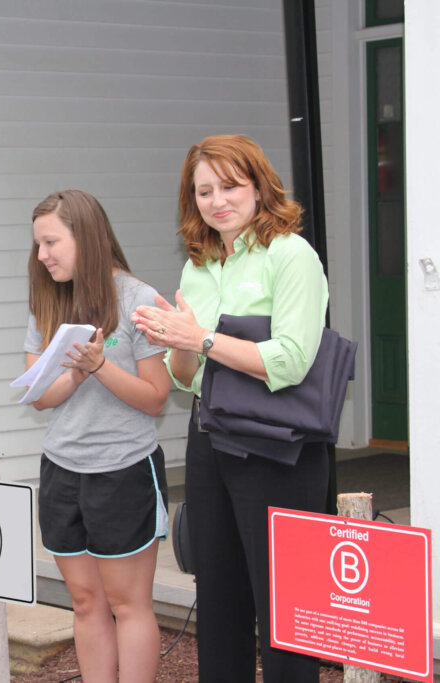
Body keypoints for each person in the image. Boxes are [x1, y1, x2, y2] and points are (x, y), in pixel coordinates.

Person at [132, 134, 329, 683]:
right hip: (209, 436)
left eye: (230, 185)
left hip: (276, 445)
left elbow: (289, 361)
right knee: (217, 595)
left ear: (259, 184)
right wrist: (174, 340)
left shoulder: (291, 255)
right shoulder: (199, 265)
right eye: (203, 191)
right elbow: (184, 377)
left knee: (283, 605)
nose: (217, 200)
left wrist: (201, 339)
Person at [25, 189, 170, 683]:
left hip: (124, 471)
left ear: (84, 237)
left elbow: (155, 397)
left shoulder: (138, 299)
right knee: (87, 602)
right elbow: (39, 396)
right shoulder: (47, 301)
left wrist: (101, 365)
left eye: (51, 243)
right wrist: (77, 374)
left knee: (129, 604)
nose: (42, 256)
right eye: (39, 245)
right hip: (62, 472)